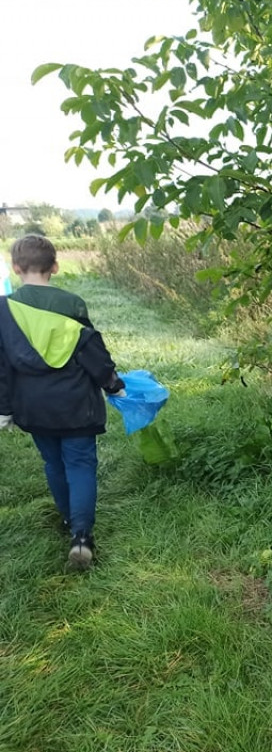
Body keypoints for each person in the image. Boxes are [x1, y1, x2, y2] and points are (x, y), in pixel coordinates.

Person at [0, 233, 125, 570]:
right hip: (75, 403)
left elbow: (2, 365)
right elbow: (91, 352)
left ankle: (70, 521)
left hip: (34, 405)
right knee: (80, 464)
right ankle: (82, 536)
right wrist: (113, 384)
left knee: (53, 464)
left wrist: (4, 409)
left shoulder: (3, 308)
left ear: (15, 267)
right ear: (55, 266)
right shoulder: (72, 304)